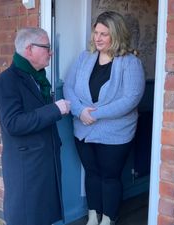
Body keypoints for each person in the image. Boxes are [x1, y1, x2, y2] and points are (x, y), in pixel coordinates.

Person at [63, 11, 145, 225]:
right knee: (91, 174)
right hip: (83, 129)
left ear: (116, 35)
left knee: (109, 177)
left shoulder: (130, 62)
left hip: (115, 133)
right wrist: (80, 112)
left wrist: (95, 114)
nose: (97, 38)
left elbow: (131, 98)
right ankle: (92, 215)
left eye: (104, 34)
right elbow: (69, 88)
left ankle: (108, 218)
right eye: (96, 32)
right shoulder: (85, 58)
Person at [0, 27, 70, 225]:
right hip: (26, 166)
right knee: (26, 218)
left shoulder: (38, 78)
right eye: (46, 47)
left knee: (42, 217)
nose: (50, 52)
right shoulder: (6, 81)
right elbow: (13, 123)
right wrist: (54, 109)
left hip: (43, 161)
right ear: (29, 50)